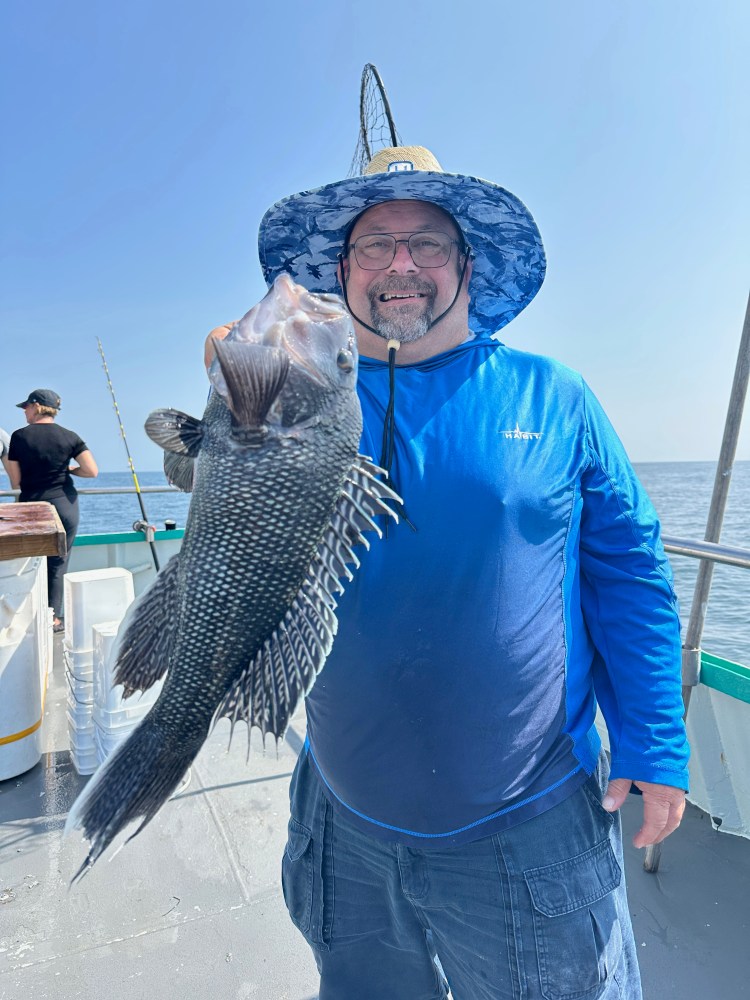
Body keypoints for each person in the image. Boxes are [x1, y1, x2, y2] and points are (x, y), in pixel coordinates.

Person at [210, 146, 689, 1000]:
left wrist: (654, 738)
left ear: (468, 266)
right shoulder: (299, 396)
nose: (401, 265)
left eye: (428, 243)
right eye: (373, 246)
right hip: (341, 814)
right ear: (341, 272)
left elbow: (631, 575)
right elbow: (225, 499)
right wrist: (237, 397)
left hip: (529, 822)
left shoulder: (557, 396)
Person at [7, 389, 98, 633]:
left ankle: (27, 616)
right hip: (64, 505)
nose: (25, 411)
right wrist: (68, 470)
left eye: (26, 407)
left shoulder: (18, 437)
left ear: (36, 407)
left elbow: (15, 482)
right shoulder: (70, 436)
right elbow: (91, 471)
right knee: (58, 563)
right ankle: (54, 619)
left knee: (30, 562)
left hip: (33, 508)